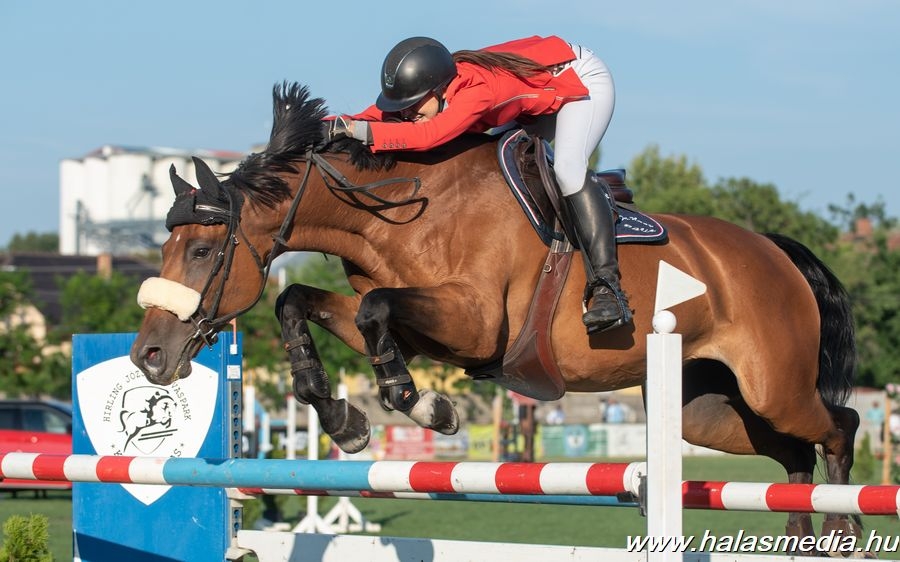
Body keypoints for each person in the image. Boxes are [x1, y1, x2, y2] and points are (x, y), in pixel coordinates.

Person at [322, 35, 630, 334]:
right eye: (404, 106)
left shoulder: (477, 92)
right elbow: (370, 118)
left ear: (440, 89)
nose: (407, 113)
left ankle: (607, 288)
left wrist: (361, 132)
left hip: (581, 82)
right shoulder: (435, 87)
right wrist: (322, 128)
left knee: (567, 168)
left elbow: (430, 136)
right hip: (534, 98)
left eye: (414, 105)